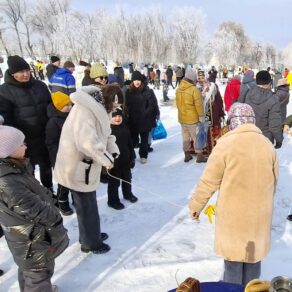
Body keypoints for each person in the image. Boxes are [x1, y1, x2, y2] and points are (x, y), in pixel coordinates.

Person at [189, 102, 278, 286]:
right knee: (253, 263)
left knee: (233, 264)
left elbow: (209, 181)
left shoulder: (226, 144)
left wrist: (196, 206)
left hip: (234, 218)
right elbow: (274, 181)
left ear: (232, 122)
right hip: (259, 216)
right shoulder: (267, 145)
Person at [54, 84, 122, 254]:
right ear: (108, 100)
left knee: (88, 204)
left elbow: (106, 134)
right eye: (115, 104)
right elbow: (87, 143)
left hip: (85, 166)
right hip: (76, 167)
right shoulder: (85, 111)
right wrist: (107, 160)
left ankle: (90, 235)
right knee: (86, 206)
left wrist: (112, 150)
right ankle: (91, 243)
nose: (116, 108)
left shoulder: (100, 108)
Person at [0, 125, 69, 292]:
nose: (25, 146)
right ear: (6, 151)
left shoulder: (15, 167)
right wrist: (55, 217)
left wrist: (48, 196)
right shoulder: (7, 179)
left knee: (29, 269)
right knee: (38, 272)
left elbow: (34, 187)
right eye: (20, 144)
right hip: (31, 236)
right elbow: (29, 206)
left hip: (27, 235)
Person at [0, 55, 53, 190]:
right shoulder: (4, 91)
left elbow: (50, 106)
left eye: (27, 71)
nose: (25, 74)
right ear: (12, 74)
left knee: (46, 167)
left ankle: (49, 191)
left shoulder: (40, 86)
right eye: (21, 72)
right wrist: (17, 142)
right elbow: (6, 119)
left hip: (44, 135)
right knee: (28, 171)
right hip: (24, 140)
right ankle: (35, 194)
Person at [45, 91, 73, 216]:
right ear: (58, 106)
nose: (70, 107)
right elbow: (51, 143)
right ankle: (63, 201)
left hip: (74, 155)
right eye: (66, 105)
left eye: (70, 104)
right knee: (64, 182)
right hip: (61, 157)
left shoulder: (72, 116)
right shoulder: (53, 122)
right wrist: (59, 157)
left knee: (74, 179)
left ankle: (77, 199)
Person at [240, 70, 283, 148]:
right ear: (270, 82)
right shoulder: (273, 99)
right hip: (265, 140)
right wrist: (279, 140)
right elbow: (274, 125)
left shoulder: (247, 93)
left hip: (248, 135)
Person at [125, 71, 160, 164]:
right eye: (135, 80)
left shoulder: (148, 91)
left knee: (144, 140)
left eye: (139, 80)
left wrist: (146, 113)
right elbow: (126, 106)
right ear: (132, 81)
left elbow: (153, 105)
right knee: (132, 140)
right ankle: (131, 156)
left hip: (145, 120)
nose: (137, 82)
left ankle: (143, 155)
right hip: (132, 120)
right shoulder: (128, 92)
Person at [107, 107, 138, 210]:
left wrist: (132, 157)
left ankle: (128, 194)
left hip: (126, 160)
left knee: (127, 179)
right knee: (114, 183)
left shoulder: (125, 128)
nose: (117, 118)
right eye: (114, 116)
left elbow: (130, 144)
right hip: (114, 163)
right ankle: (113, 201)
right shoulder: (107, 131)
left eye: (119, 116)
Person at [175, 69, 207, 163]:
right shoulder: (194, 90)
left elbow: (177, 104)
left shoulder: (178, 89)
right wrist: (201, 116)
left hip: (182, 119)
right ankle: (200, 156)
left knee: (185, 137)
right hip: (193, 119)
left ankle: (187, 155)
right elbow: (199, 105)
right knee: (196, 137)